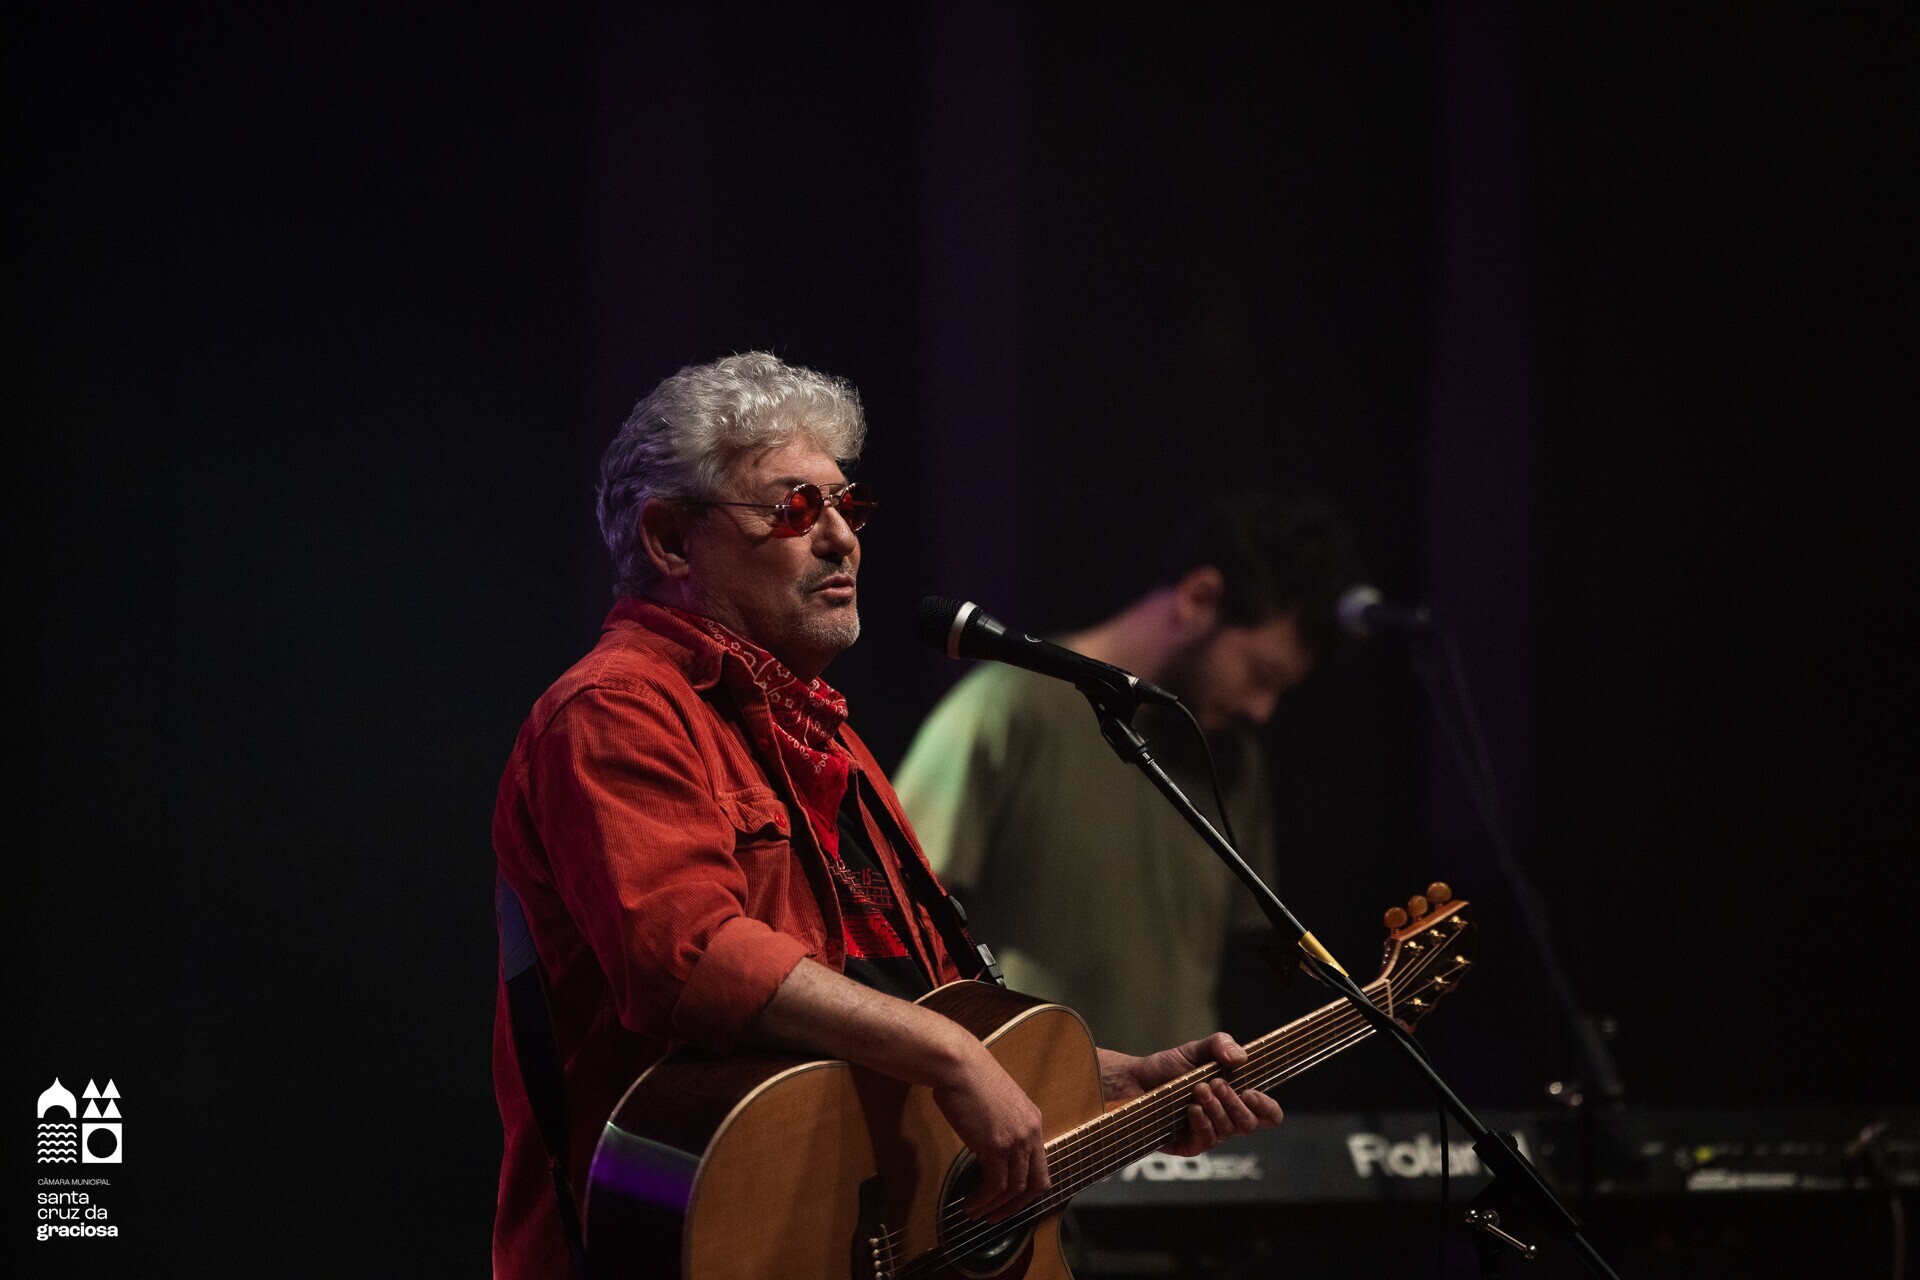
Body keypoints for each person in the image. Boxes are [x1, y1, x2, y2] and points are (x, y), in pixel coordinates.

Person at [489, 352, 1283, 1278]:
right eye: (796, 508)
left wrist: (1114, 1081)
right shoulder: (615, 710)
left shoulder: (835, 746)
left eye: (848, 505)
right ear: (670, 539)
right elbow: (692, 957)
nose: (842, 539)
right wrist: (950, 1056)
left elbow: (929, 1000)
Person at [894, 493, 1364, 1056]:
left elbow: (1248, 960)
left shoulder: (1232, 758)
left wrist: (1359, 1015)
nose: (1262, 710)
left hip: (1178, 1104)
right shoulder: (1008, 708)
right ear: (1199, 597)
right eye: (1261, 674)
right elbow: (895, 919)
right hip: (1023, 1100)